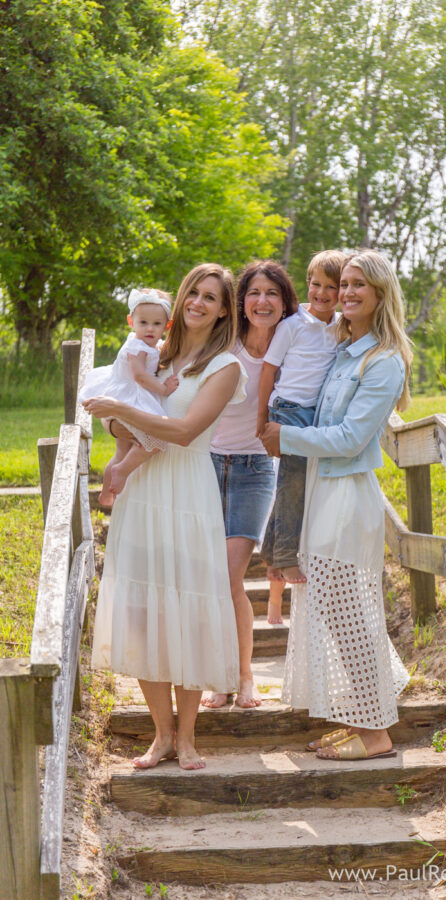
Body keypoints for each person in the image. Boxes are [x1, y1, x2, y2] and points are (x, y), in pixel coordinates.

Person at [83, 263, 246, 770]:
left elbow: (183, 431)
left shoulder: (226, 367)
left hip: (190, 490)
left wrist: (120, 413)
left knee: (192, 613)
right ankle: (161, 736)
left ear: (224, 309)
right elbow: (112, 418)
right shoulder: (152, 350)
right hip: (144, 490)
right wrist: (116, 418)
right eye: (193, 292)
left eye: (211, 297)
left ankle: (190, 737)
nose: (198, 302)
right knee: (144, 610)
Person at [261, 249, 412, 761]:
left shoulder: (383, 361)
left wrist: (287, 437)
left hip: (347, 499)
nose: (345, 293)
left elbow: (349, 439)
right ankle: (358, 718)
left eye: (357, 286)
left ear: (380, 294)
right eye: (342, 283)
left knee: (352, 616)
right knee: (332, 612)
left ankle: (377, 736)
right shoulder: (344, 349)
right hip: (322, 494)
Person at [202, 260, 298, 709]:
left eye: (272, 294)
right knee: (214, 580)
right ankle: (220, 677)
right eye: (254, 293)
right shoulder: (225, 342)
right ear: (241, 301)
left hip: (256, 470)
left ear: (284, 302)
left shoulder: (295, 344)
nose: (262, 301)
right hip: (204, 465)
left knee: (228, 576)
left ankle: (244, 678)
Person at [257, 250, 346, 585]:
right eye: (315, 284)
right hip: (288, 409)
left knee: (298, 482)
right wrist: (261, 419)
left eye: (331, 287)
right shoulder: (292, 325)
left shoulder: (340, 326)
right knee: (293, 482)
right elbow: (268, 372)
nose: (321, 293)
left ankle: (271, 548)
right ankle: (284, 557)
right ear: (306, 284)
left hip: (315, 415)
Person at [79, 289, 178, 507]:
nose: (149, 329)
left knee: (122, 450)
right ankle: (121, 471)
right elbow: (139, 376)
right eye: (143, 322)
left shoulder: (152, 345)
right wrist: (163, 389)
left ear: (167, 326)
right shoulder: (137, 346)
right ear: (131, 321)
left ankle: (106, 494)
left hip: (128, 395)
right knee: (154, 441)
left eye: (156, 324)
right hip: (131, 397)